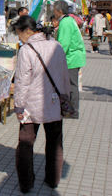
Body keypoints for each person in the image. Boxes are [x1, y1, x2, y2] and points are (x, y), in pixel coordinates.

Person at [12, 15, 70, 193]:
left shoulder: (26, 50)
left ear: (27, 31)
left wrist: (18, 106)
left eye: (18, 34)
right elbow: (64, 75)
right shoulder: (57, 46)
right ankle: (53, 179)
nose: (18, 38)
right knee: (54, 142)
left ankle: (26, 184)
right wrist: (65, 98)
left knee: (25, 144)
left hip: (31, 104)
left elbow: (22, 82)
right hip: (54, 102)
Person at [52, 0, 86, 118]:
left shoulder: (65, 22)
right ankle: (71, 110)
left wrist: (55, 59)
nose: (53, 12)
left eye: (54, 10)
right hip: (73, 57)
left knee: (71, 86)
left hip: (71, 58)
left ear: (59, 11)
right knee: (71, 85)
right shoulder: (69, 20)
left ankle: (73, 111)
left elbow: (63, 44)